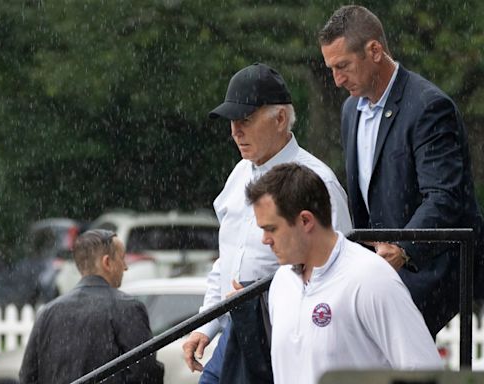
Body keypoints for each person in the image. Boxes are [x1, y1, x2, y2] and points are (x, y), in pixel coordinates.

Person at [318, 5, 484, 336]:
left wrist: (403, 249)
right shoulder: (351, 109)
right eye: (331, 69)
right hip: (379, 268)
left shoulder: (428, 107)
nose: (336, 80)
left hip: (432, 266)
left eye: (343, 66)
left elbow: (445, 196)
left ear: (375, 51)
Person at [182, 62, 352, 384]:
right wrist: (206, 325)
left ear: (280, 119)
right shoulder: (238, 175)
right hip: (236, 330)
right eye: (232, 122)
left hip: (282, 334)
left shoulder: (319, 183)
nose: (235, 131)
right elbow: (227, 260)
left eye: (245, 120)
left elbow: (340, 267)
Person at [245, 162, 443, 384]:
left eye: (271, 228)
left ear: (305, 221)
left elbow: (425, 373)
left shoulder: (371, 278)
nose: (265, 239)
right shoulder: (281, 283)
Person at [19, 229, 164, 384]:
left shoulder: (48, 313)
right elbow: (145, 373)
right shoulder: (128, 308)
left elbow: (28, 376)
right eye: (122, 258)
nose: (126, 267)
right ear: (107, 262)